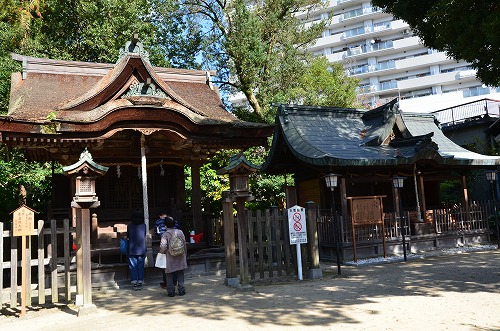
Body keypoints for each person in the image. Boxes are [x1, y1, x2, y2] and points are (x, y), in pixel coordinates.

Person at [160, 216, 187, 297]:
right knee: (180, 272)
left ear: (165, 225)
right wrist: (185, 253)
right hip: (180, 254)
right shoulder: (180, 232)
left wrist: (162, 253)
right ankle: (181, 290)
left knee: (169, 274)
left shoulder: (165, 234)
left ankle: (171, 291)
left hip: (170, 256)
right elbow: (184, 244)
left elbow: (163, 247)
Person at [127, 209, 146, 290]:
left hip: (132, 249)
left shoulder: (129, 226)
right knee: (140, 266)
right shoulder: (144, 226)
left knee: (133, 266)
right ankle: (140, 283)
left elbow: (128, 236)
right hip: (141, 248)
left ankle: (134, 283)